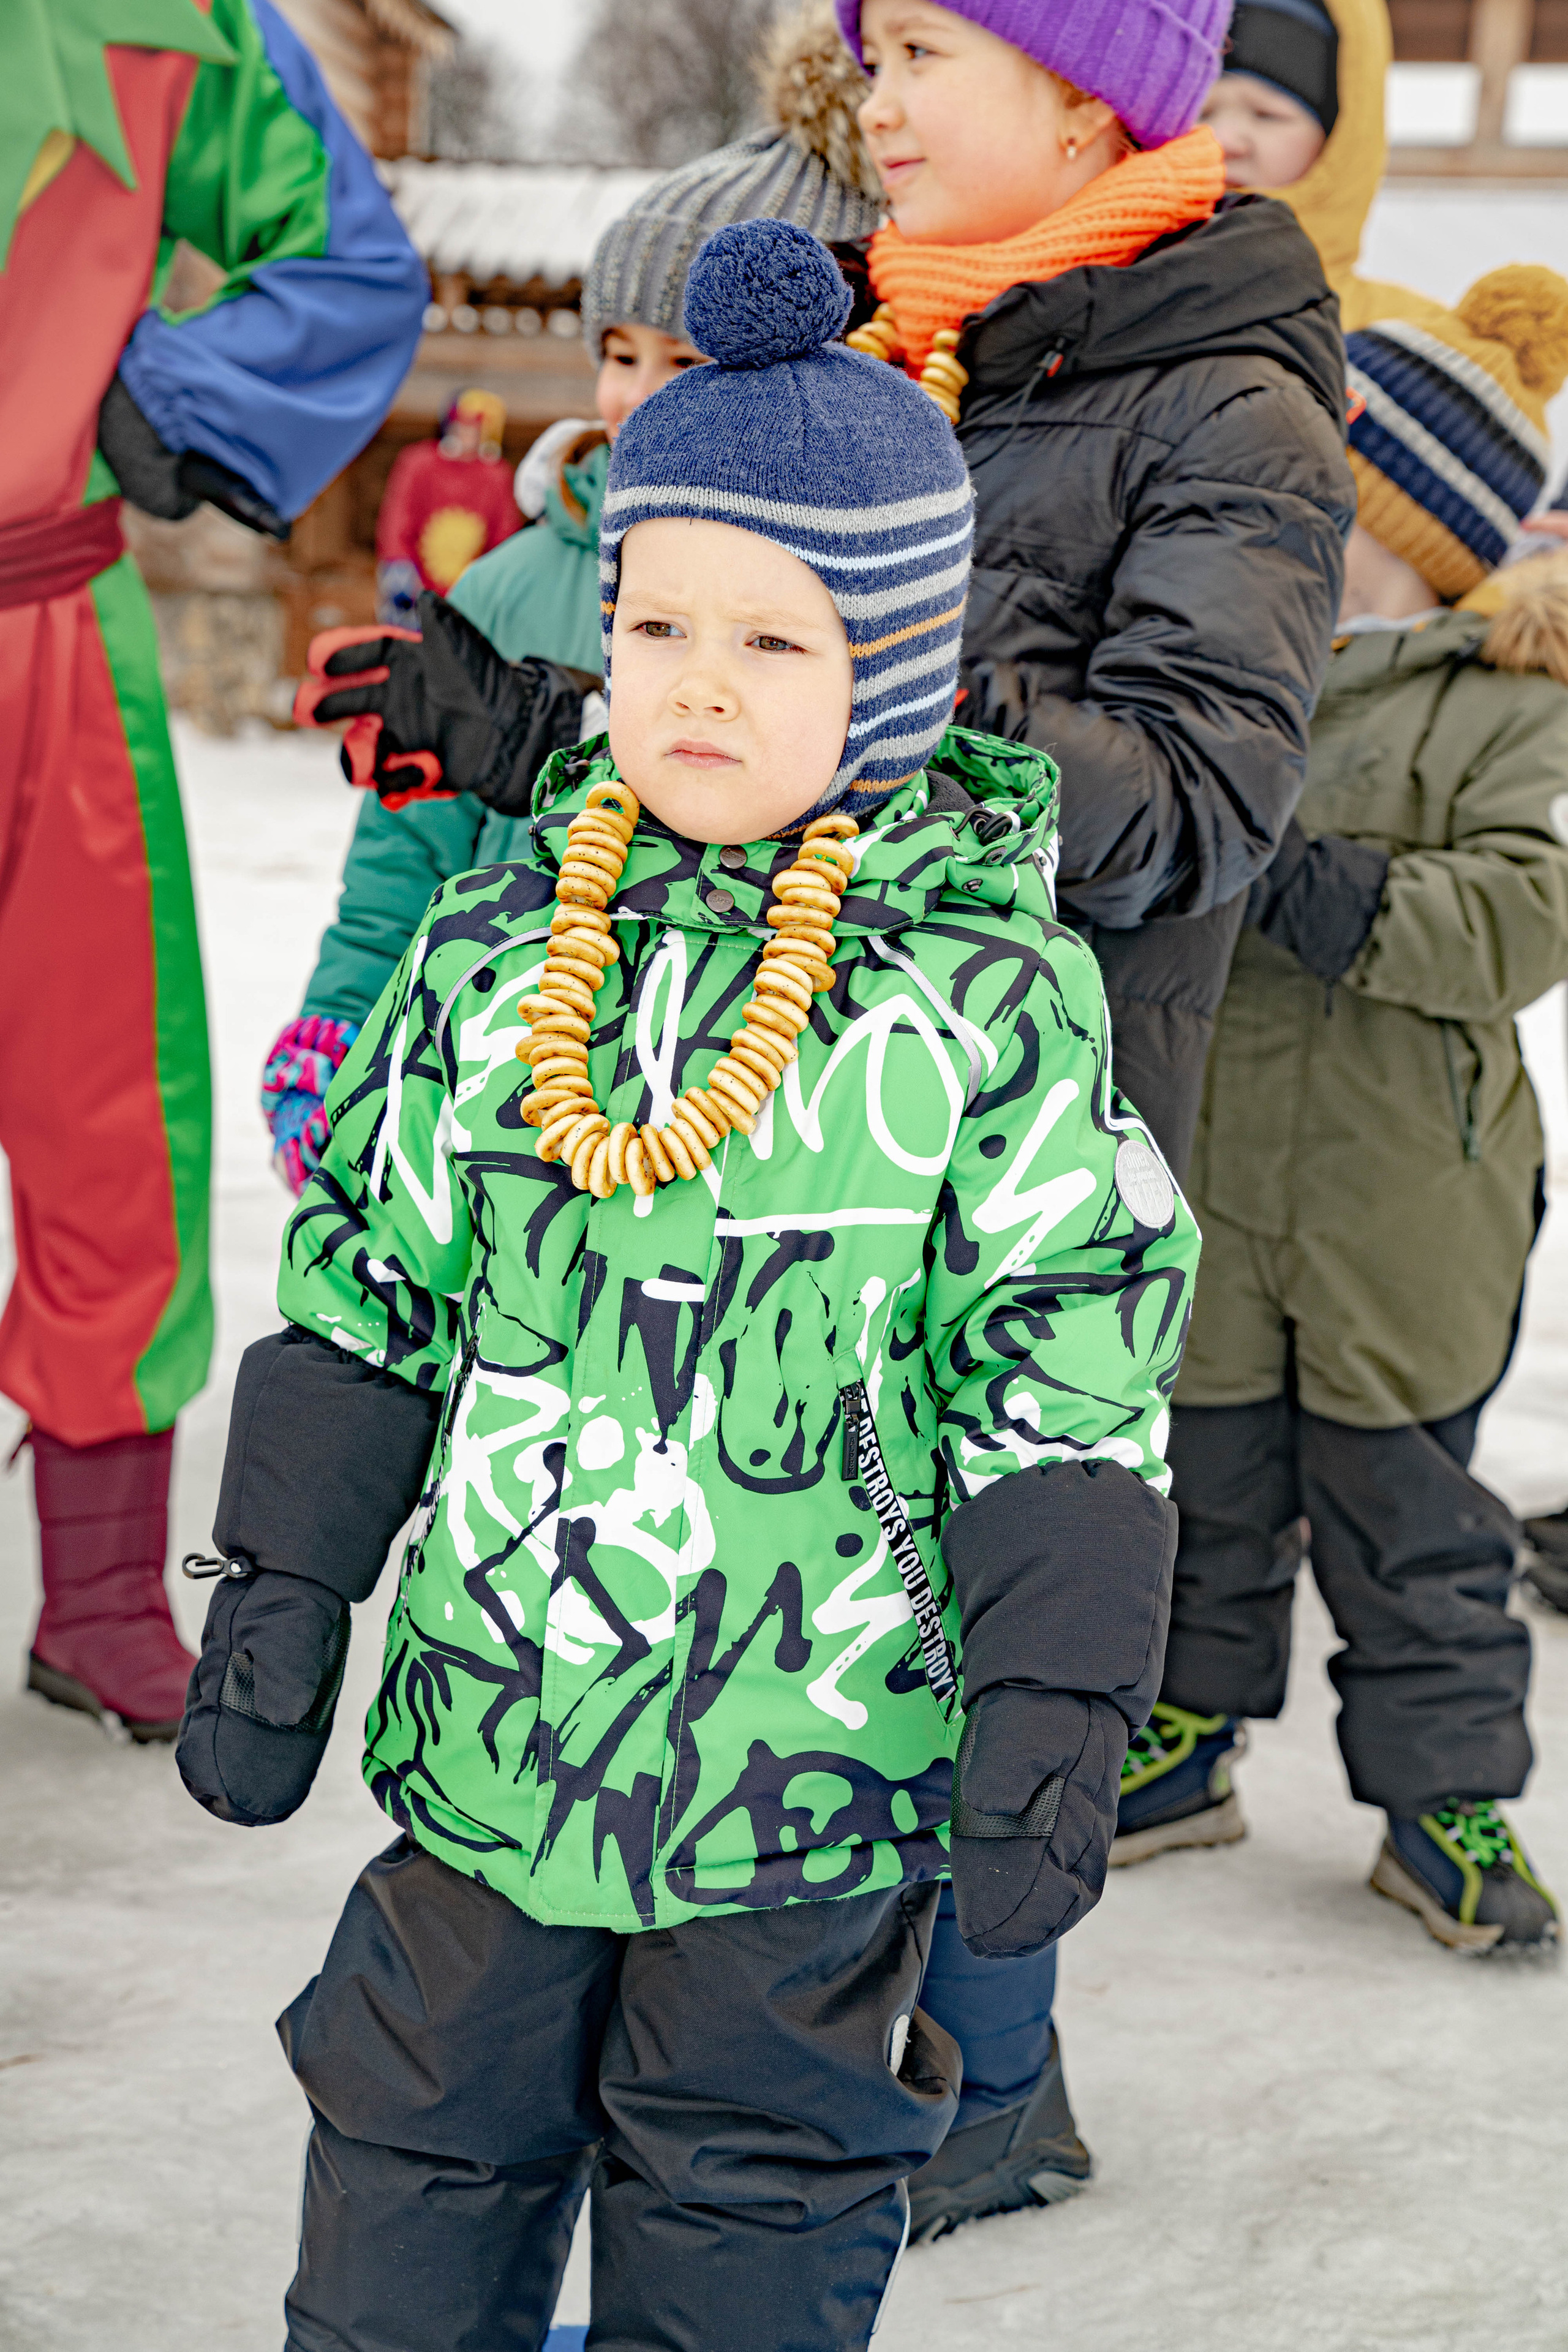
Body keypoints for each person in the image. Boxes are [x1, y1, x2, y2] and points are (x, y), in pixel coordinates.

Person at [175, 219, 1199, 2350]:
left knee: (748, 2232)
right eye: (656, 625)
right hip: (488, 1763)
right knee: (403, 2191)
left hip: (808, 1793)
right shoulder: (494, 952)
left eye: (778, 641)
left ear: (895, 675)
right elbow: (372, 1284)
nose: (700, 684)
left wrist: (1055, 1706)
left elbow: (1063, 1377)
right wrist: (286, 1582)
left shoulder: (988, 1008)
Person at [826, 0, 1354, 2233]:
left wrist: (905, 703)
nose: (867, 96)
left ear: (1083, 98)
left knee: (979, 1618)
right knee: (814, 1596)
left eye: (919, 48)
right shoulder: (876, 364)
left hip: (1036, 1142)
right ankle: (804, 2040)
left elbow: (1198, 798)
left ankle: (990, 2088)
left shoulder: (1228, 406)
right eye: (863, 51)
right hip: (809, 1102)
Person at [1116, 271, 1568, 1953]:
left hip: (1406, 1203)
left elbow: (1536, 909)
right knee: (1199, 1490)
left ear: (1423, 538)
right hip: (1219, 1174)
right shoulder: (1226, 670)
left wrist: (1341, 897)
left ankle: (1444, 1800)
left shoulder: (1514, 704)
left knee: (1412, 1523)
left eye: (1331, 506)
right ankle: (1183, 1736)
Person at [263, 0, 886, 1195]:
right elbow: (406, 848)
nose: (633, 399)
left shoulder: (840, 605)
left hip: (739, 1130)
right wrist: (339, 1030)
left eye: (685, 362)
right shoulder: (516, 578)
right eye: (617, 350)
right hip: (500, 1098)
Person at [1, 0, 426, 1743]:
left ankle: (99, 1594)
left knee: (108, 1119)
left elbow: (346, 255)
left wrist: (168, 386)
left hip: (47, 630)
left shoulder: (166, 20)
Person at [374, 388, 521, 627]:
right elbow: (396, 521)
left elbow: (503, 537)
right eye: (462, 426)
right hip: (413, 592)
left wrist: (490, 587)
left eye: (477, 429)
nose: (467, 435)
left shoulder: (497, 477)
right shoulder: (418, 463)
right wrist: (400, 570)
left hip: (468, 600)